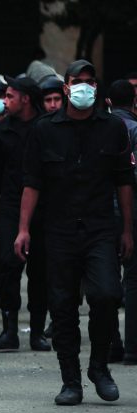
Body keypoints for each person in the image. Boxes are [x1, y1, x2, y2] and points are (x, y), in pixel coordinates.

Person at [15, 60, 134, 406]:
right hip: (59, 231)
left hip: (100, 228)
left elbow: (124, 183)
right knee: (63, 307)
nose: (83, 87)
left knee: (107, 295)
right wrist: (23, 229)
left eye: (89, 81)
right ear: (65, 87)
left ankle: (100, 367)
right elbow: (32, 183)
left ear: (96, 87)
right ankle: (71, 380)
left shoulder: (112, 128)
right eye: (76, 82)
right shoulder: (44, 129)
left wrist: (127, 229)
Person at [0, 76, 50, 352]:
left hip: (43, 209)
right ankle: (9, 330)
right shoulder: (2, 131)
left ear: (25, 99)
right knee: (7, 266)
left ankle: (37, 331)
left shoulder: (46, 128)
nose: (5, 101)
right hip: (10, 206)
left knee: (40, 272)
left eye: (10, 96)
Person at [106, 79, 137, 364]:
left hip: (102, 215)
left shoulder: (100, 128)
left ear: (108, 102)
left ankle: (112, 343)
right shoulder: (134, 130)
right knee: (132, 280)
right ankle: (131, 348)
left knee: (107, 280)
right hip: (129, 216)